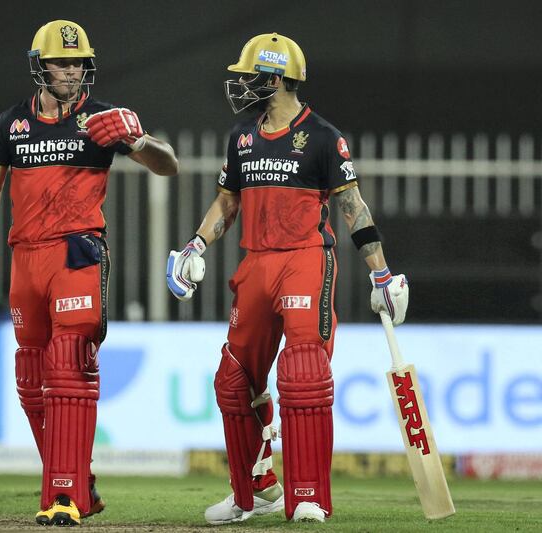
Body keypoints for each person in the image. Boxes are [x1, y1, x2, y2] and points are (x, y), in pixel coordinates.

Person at [0, 20, 178, 527]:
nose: (71, 71)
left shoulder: (104, 119)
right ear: (40, 67)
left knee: (68, 365)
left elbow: (168, 165)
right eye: (61, 63)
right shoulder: (11, 125)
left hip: (77, 253)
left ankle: (63, 496)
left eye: (78, 63)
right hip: (26, 259)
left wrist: (140, 137)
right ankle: (77, 480)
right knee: (30, 379)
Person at [166, 33, 408, 524]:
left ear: (275, 78)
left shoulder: (321, 136)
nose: (240, 85)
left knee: (302, 373)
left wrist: (381, 273)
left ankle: (308, 497)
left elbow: (351, 207)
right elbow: (227, 201)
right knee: (233, 381)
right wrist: (196, 244)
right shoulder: (242, 136)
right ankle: (251, 491)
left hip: (304, 260)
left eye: (250, 75)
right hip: (255, 263)